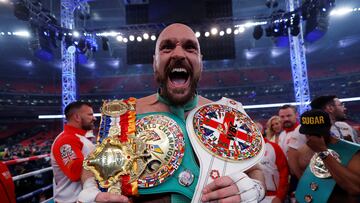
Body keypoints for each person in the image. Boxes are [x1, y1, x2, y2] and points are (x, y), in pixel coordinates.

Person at [79, 23, 266, 203]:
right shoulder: (126, 115)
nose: (178, 54)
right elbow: (94, 166)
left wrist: (255, 188)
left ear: (201, 62)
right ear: (155, 62)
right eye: (167, 48)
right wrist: (89, 189)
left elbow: (255, 169)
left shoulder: (228, 114)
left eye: (190, 47)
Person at [296, 109, 360, 203]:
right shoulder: (305, 151)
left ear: (329, 127)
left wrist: (322, 152)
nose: (312, 136)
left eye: (318, 132)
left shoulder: (353, 151)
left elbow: (355, 189)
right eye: (308, 133)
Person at [50, 101, 97, 203]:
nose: (94, 118)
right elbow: (76, 173)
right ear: (77, 117)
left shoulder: (79, 138)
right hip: (71, 200)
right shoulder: (66, 140)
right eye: (90, 114)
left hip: (82, 198)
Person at [259, 137, 289, 203]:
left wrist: (279, 197)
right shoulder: (245, 151)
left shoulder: (274, 147)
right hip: (253, 196)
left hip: (272, 197)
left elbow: (284, 173)